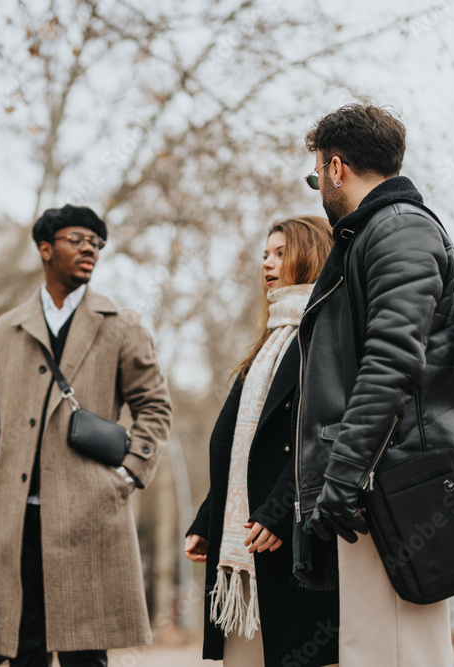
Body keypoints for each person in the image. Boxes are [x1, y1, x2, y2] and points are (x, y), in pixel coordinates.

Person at [295, 104, 454, 666]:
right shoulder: (378, 233)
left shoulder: (398, 227)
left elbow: (390, 361)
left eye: (316, 175)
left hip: (399, 486)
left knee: (396, 653)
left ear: (336, 168)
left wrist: (344, 474)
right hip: (387, 481)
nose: (319, 188)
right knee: (378, 650)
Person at [0, 204, 173, 667]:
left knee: (86, 655)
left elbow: (155, 408)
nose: (90, 250)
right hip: (15, 519)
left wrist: (128, 476)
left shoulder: (122, 324)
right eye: (77, 239)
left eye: (96, 243)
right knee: (23, 652)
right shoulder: (5, 331)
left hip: (90, 517)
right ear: (45, 249)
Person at [184, 216, 339, 667]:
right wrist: (206, 521)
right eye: (265, 254)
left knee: (296, 652)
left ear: (308, 255)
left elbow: (321, 437)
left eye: (279, 253)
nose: (267, 263)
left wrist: (278, 510)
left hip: (290, 536)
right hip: (245, 544)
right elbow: (237, 446)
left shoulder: (324, 333)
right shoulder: (268, 341)